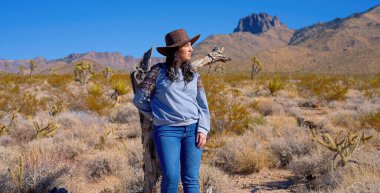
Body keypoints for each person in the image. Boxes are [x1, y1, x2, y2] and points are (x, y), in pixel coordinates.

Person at [132, 29, 210, 193]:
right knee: (171, 177)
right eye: (187, 46)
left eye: (191, 45)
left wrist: (203, 129)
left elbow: (203, 105)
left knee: (191, 179)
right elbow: (139, 99)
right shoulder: (157, 72)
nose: (191, 49)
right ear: (176, 50)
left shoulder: (194, 75)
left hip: (193, 130)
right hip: (167, 131)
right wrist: (157, 116)